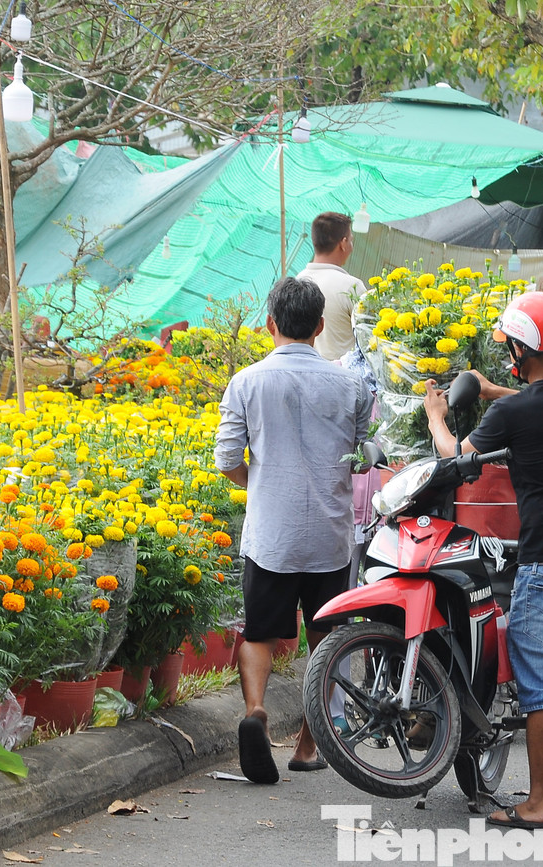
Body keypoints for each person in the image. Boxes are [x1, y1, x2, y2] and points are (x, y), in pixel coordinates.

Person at [422, 292, 543, 831]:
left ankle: (536, 802)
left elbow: (455, 461)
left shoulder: (512, 413)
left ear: (521, 351)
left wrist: (439, 417)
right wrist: (490, 390)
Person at [214, 277, 374, 784]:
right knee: (325, 639)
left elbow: (225, 459)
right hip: (330, 537)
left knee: (259, 633)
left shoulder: (247, 381)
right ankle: (308, 744)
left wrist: (257, 482)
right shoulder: (351, 386)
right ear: (321, 326)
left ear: (270, 324)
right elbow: (362, 457)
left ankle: (257, 710)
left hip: (271, 536)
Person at [297, 212, 367, 363]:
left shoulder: (297, 282)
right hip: (341, 380)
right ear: (343, 243)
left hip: (303, 374)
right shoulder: (352, 287)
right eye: (350, 240)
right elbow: (369, 342)